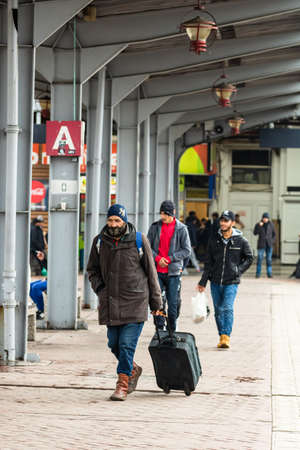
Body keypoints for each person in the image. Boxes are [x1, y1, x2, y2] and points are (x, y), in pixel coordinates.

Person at [87, 204, 162, 401]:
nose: (113, 224)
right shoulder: (99, 242)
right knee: (114, 344)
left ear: (125, 221)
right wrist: (100, 290)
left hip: (135, 301)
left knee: (127, 344)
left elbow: (151, 272)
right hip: (110, 302)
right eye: (110, 220)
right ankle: (133, 369)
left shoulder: (138, 240)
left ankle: (122, 384)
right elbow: (92, 270)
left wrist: (157, 304)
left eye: (117, 220)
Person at [197, 210, 253, 349]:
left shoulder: (241, 240)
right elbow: (208, 262)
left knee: (227, 308)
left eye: (226, 221)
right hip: (215, 281)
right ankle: (221, 334)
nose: (223, 223)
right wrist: (203, 282)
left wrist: (238, 271)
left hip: (231, 282)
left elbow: (250, 257)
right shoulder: (214, 240)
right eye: (222, 220)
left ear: (232, 223)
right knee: (218, 310)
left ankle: (226, 337)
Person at [147, 200, 191, 332]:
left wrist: (170, 259)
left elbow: (186, 250)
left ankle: (172, 329)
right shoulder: (155, 227)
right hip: (157, 272)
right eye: (161, 213)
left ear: (173, 213)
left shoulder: (181, 228)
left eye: (166, 214)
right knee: (157, 301)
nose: (163, 217)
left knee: (173, 304)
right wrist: (157, 258)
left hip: (173, 273)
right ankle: (160, 328)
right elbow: (147, 246)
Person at [253, 212, 276, 278]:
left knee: (269, 259)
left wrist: (272, 241)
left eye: (266, 218)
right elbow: (255, 233)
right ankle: (258, 274)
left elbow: (274, 235)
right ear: (262, 218)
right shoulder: (259, 224)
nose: (265, 219)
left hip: (269, 245)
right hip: (261, 244)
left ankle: (269, 274)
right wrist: (259, 226)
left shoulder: (271, 224)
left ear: (268, 218)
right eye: (264, 218)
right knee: (260, 259)